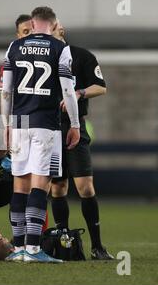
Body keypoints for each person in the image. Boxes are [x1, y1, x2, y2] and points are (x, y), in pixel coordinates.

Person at [0, 6, 80, 263]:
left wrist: (6, 124)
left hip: (20, 123)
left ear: (33, 24)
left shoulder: (14, 47)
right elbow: (68, 92)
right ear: (54, 24)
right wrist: (75, 124)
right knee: (40, 184)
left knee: (19, 186)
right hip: (45, 124)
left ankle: (19, 247)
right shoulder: (60, 48)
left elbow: (5, 91)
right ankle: (34, 249)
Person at [48, 22, 114, 260]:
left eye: (50, 31)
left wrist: (78, 93)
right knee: (58, 187)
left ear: (60, 31)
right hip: (49, 127)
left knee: (85, 187)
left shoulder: (82, 56)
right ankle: (63, 243)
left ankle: (97, 246)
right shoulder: (43, 58)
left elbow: (101, 87)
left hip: (75, 125)